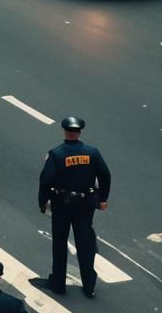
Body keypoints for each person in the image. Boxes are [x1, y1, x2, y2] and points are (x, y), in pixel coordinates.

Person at [37, 117, 110, 298]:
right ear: (79, 132)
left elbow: (46, 180)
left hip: (62, 205)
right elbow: (105, 175)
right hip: (85, 205)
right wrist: (103, 199)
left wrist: (42, 201)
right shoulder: (92, 153)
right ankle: (89, 285)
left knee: (60, 244)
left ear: (64, 132)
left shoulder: (56, 154)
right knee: (85, 243)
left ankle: (58, 284)